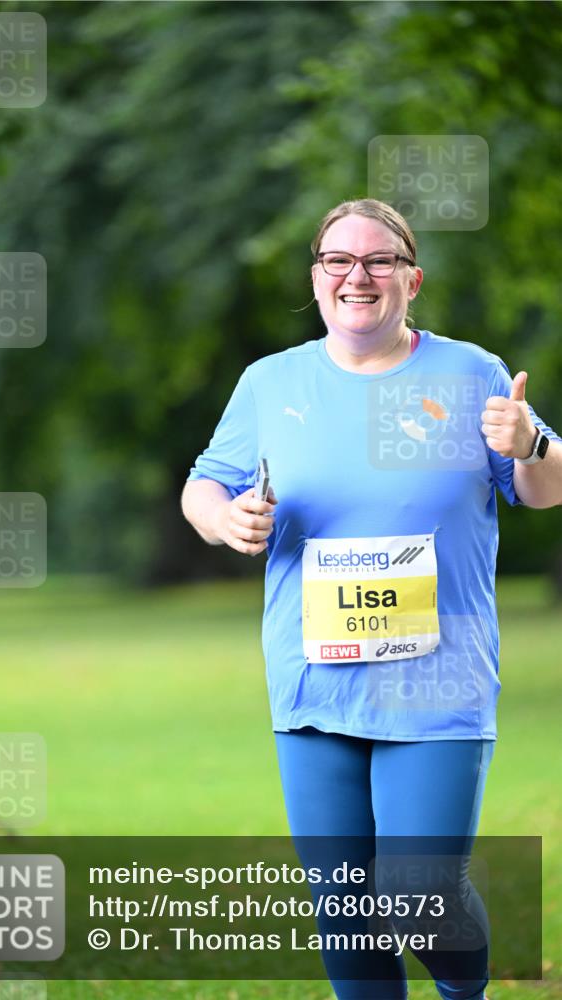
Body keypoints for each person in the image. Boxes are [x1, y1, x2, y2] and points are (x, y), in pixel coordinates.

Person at [181, 198, 561, 1000]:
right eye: (337, 261)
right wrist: (226, 520)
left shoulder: (470, 374)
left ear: (410, 278)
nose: (358, 275)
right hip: (314, 679)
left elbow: (541, 488)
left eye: (379, 260)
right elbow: (203, 484)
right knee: (347, 910)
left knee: (417, 895)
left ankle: (466, 992)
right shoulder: (269, 382)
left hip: (437, 679)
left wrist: (530, 442)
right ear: (316, 279)